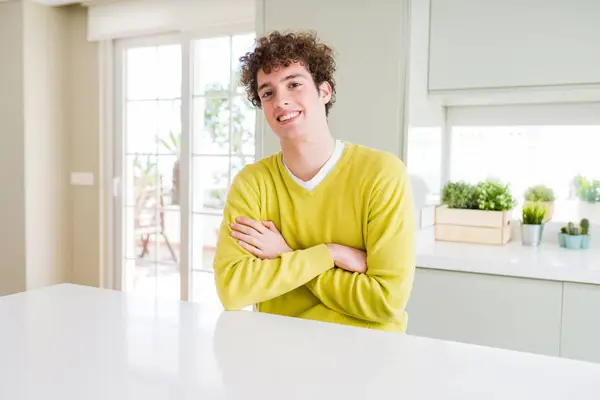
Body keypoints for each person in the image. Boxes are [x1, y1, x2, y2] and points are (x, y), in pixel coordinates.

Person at [212, 30, 415, 333]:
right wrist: (330, 254)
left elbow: (385, 301)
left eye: (294, 84)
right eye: (267, 93)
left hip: (369, 358)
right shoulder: (252, 183)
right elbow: (232, 290)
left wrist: (286, 255)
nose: (281, 100)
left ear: (324, 91)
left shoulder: (382, 174)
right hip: (281, 353)